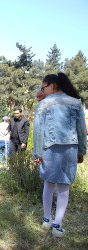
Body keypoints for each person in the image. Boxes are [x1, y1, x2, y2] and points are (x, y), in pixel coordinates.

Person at [33, 73, 86, 237]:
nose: (42, 90)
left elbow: (38, 131)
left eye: (43, 87)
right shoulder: (76, 102)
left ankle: (46, 220)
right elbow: (81, 131)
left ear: (52, 85)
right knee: (64, 187)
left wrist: (37, 152)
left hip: (49, 149)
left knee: (48, 184)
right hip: (70, 149)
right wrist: (81, 151)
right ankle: (57, 225)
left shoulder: (43, 104)